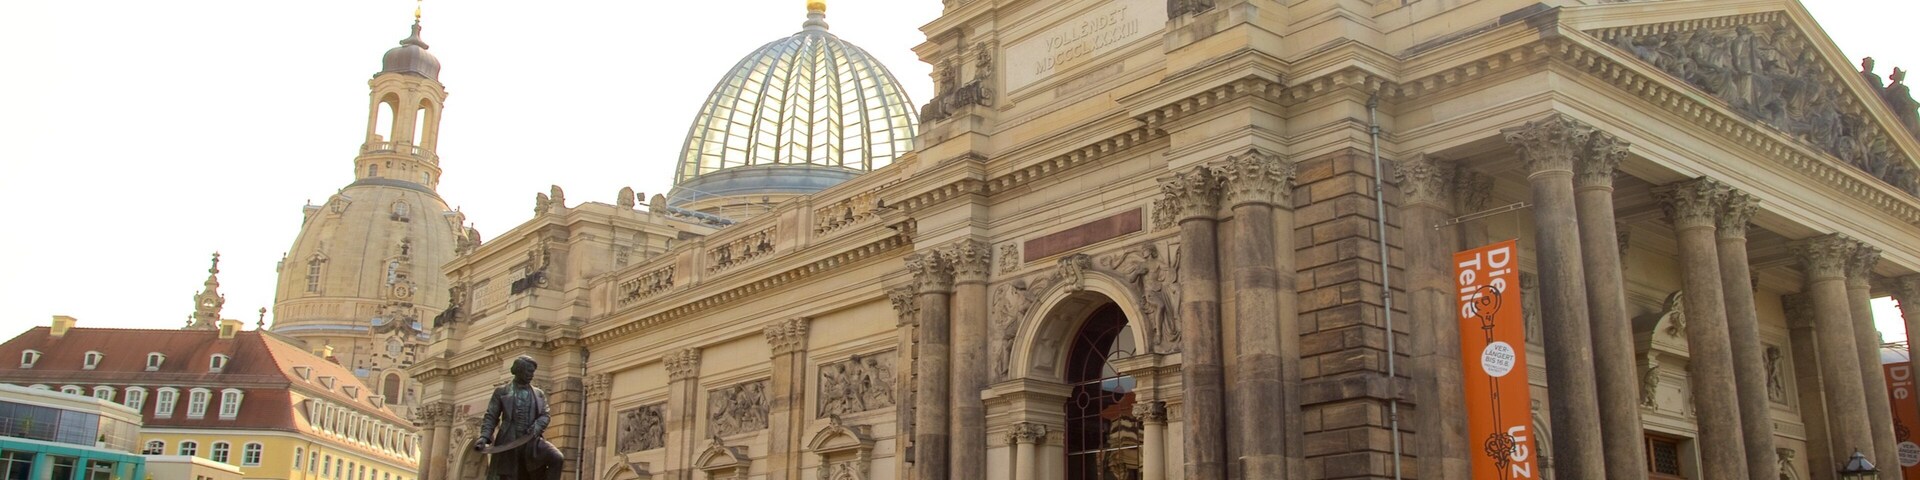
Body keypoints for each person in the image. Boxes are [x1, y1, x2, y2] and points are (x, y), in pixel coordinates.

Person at [474, 356, 565, 480]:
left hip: (531, 440)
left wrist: (537, 426)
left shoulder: (538, 393)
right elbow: (491, 416)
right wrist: (484, 437)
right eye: (529, 371)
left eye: (533, 372)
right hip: (509, 441)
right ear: (519, 370)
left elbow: (545, 415)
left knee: (557, 457)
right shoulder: (502, 392)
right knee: (512, 476)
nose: (531, 375)